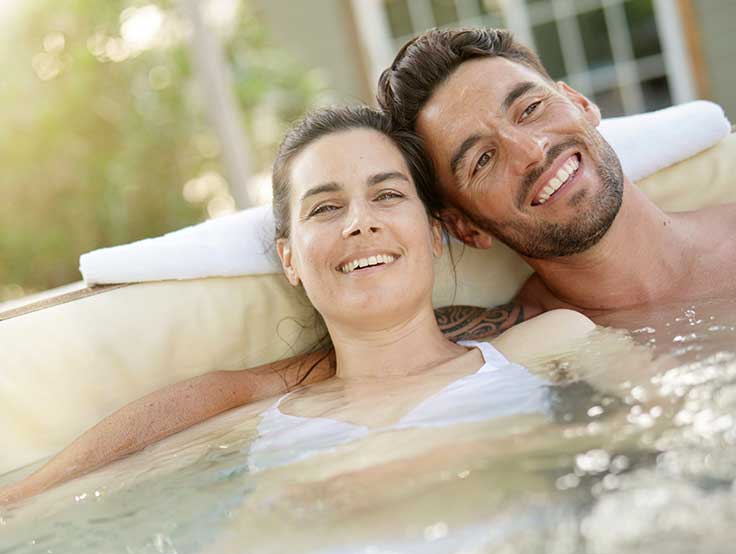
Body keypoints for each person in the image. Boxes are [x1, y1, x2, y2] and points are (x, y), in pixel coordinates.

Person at [0, 105, 608, 507]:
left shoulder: (547, 342)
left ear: (433, 230)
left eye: (387, 194)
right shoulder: (261, 407)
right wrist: (25, 496)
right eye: (325, 207)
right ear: (289, 259)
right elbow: (169, 417)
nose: (360, 224)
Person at [376, 27, 736, 322]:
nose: (531, 150)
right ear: (465, 227)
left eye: (530, 109)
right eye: (482, 159)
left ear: (581, 104)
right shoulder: (516, 352)